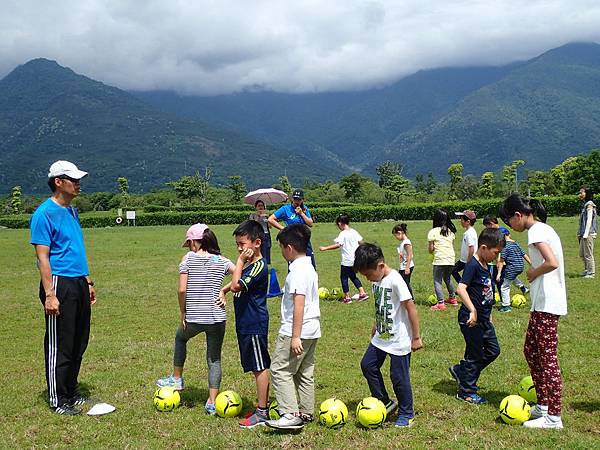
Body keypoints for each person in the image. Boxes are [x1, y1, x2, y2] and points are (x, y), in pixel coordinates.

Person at [30, 160, 97, 415]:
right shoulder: (43, 214)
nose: (78, 184)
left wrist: (87, 281)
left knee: (79, 340)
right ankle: (58, 399)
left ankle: (71, 392)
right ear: (58, 181)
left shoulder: (71, 211)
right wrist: (49, 294)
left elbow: (76, 248)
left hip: (78, 281)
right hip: (58, 282)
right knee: (61, 343)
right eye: (73, 179)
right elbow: (43, 257)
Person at [499, 194, 567, 429]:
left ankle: (554, 417)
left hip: (548, 304)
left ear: (518, 215)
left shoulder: (536, 231)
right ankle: (544, 405)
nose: (510, 227)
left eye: (509, 222)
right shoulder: (542, 229)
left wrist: (533, 272)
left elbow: (552, 262)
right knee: (531, 351)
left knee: (547, 359)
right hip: (541, 303)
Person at [157, 224, 234, 415]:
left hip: (194, 317)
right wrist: (224, 290)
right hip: (217, 318)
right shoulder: (223, 261)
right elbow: (241, 276)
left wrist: (183, 312)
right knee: (214, 358)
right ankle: (212, 401)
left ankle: (176, 378)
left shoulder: (188, 259)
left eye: (189, 243)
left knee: (180, 338)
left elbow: (182, 289)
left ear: (194, 242)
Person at [354, 243, 423, 427]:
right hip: (381, 335)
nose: (368, 279)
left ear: (381, 266)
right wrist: (376, 324)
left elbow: (411, 308)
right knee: (368, 365)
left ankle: (407, 413)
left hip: (399, 339)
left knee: (398, 376)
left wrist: (415, 337)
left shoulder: (396, 280)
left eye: (368, 275)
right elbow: (382, 304)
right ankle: (384, 401)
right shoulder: (377, 279)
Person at [266, 224, 320, 430]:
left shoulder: (297, 270)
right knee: (304, 371)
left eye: (281, 247)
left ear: (289, 248)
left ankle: (290, 414)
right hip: (312, 328)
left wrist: (295, 336)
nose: (281, 252)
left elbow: (299, 303)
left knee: (280, 369)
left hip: (296, 330)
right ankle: (306, 412)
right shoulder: (309, 266)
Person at [219, 220, 270, 428]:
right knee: (253, 365)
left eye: (242, 244)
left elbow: (238, 284)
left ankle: (262, 411)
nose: (240, 248)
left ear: (257, 243)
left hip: (254, 322)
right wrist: (223, 290)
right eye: (237, 245)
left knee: (260, 366)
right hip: (245, 323)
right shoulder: (251, 265)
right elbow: (235, 284)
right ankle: (261, 406)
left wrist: (239, 262)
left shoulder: (259, 266)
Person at [449, 228, 504, 404]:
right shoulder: (472, 265)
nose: (497, 257)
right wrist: (472, 310)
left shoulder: (486, 264)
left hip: (484, 320)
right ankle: (466, 391)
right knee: (475, 355)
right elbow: (461, 288)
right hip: (471, 320)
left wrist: (489, 314)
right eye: (495, 252)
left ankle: (462, 371)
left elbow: (485, 292)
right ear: (484, 247)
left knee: (493, 350)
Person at [319, 213, 368, 304]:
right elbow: (361, 242)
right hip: (355, 259)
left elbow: (338, 244)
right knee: (353, 276)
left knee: (343, 278)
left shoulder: (343, 233)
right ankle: (362, 293)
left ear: (341, 223)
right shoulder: (354, 231)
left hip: (347, 260)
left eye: (338, 225)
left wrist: (325, 248)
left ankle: (347, 297)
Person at [268, 189, 316, 268]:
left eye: (299, 199)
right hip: (292, 241)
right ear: (292, 199)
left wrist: (302, 214)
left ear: (302, 200)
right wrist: (284, 229)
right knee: (294, 266)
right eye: (295, 199)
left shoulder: (304, 209)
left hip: (304, 240)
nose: (297, 201)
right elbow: (271, 219)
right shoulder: (285, 209)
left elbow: (310, 223)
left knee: (310, 265)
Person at [427, 209, 458, 310]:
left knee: (437, 280)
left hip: (440, 259)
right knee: (447, 278)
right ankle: (453, 299)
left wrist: (431, 251)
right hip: (450, 259)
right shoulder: (450, 232)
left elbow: (431, 249)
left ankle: (441, 303)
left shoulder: (433, 232)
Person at [497, 229, 531, 313]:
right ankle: (523, 288)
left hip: (512, 267)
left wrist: (498, 273)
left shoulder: (505, 246)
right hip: (520, 266)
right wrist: (531, 263)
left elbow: (501, 261)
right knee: (511, 277)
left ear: (503, 237)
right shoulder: (515, 243)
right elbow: (524, 254)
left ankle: (506, 306)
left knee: (504, 287)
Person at [452, 210, 478, 283]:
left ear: (468, 221)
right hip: (463, 260)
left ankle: (464, 288)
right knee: (454, 270)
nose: (460, 221)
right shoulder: (469, 232)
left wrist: (468, 262)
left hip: (467, 260)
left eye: (462, 219)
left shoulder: (469, 233)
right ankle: (464, 287)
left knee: (454, 271)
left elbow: (471, 248)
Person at [578, 187, 596, 278]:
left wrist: (586, 233)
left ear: (587, 193)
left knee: (588, 254)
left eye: (581, 192)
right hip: (583, 234)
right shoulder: (585, 204)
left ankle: (591, 273)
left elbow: (589, 220)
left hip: (588, 234)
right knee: (582, 254)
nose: (580, 194)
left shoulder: (589, 204)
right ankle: (587, 270)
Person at [392, 223, 415, 297]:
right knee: (402, 282)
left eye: (395, 236)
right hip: (403, 266)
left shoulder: (406, 242)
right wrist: (402, 255)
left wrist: (407, 267)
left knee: (405, 283)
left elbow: (410, 255)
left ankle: (411, 298)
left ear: (399, 233)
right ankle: (404, 297)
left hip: (406, 266)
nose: (396, 238)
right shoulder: (403, 243)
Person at [249, 200, 272, 265]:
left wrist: (268, 219)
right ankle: (259, 264)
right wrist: (258, 217)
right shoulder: (253, 215)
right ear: (256, 207)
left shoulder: (266, 215)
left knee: (267, 249)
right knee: (259, 250)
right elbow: (252, 225)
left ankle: (265, 264)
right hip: (257, 234)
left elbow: (270, 227)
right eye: (259, 206)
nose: (260, 207)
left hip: (266, 234)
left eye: (262, 206)